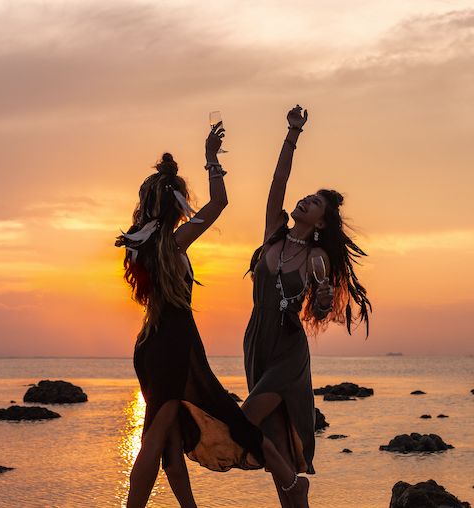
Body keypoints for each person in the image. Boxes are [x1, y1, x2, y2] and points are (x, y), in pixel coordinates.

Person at [116, 124, 265, 508]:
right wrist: (212, 158)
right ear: (178, 202)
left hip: (150, 343)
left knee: (168, 443)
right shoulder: (172, 240)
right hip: (171, 344)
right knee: (155, 436)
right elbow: (218, 205)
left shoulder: (141, 239)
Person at [242, 105, 372, 507]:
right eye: (307, 196)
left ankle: (297, 487)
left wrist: (320, 301)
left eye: (313, 202)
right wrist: (292, 133)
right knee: (277, 445)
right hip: (256, 342)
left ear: (320, 222)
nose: (304, 200)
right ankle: (296, 494)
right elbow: (278, 181)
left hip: (287, 350)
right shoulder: (272, 233)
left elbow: (315, 313)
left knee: (243, 422)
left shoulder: (317, 259)